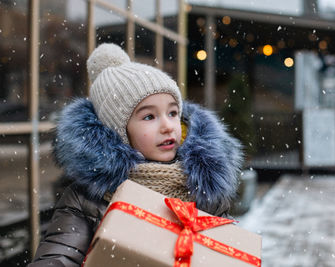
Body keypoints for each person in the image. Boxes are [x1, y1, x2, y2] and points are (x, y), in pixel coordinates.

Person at [28, 43, 243, 266]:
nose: (168, 126)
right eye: (149, 117)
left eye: (172, 113)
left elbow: (226, 254)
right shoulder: (87, 200)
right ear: (118, 132)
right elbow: (58, 256)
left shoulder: (202, 189)